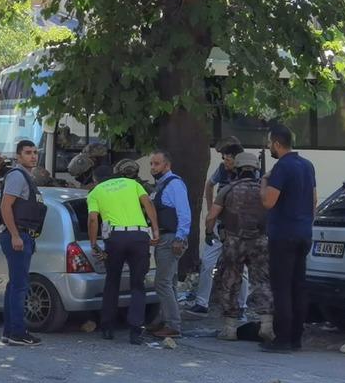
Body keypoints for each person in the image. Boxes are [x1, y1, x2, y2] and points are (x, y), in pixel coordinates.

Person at [204, 152, 274, 342]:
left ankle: (229, 329)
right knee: (263, 282)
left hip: (234, 242)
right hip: (260, 241)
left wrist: (209, 233)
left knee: (230, 282)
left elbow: (211, 216)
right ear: (256, 169)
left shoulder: (227, 189)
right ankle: (267, 326)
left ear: (237, 169)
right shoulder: (264, 190)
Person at [259, 124, 317, 353]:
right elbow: (313, 200)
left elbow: (268, 202)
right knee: (298, 286)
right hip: (303, 233)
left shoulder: (281, 168)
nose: (268, 147)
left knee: (281, 287)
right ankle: (296, 338)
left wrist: (264, 182)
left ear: (276, 143)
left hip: (283, 235)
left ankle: (282, 338)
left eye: (268, 142)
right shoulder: (307, 165)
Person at [87, 165, 159, 345]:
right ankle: (135, 330)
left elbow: (93, 219)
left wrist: (93, 243)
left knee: (112, 282)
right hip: (139, 236)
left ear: (96, 180)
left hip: (115, 238)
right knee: (137, 284)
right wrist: (155, 230)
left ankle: (107, 327)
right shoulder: (132, 183)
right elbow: (147, 203)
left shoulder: (95, 192)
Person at [187, 137, 249, 316]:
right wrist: (210, 207)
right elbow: (209, 184)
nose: (224, 162)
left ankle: (241, 305)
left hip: (239, 228)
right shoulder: (222, 170)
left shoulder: (250, 173)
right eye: (223, 158)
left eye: (227, 158)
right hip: (219, 224)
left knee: (241, 268)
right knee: (207, 263)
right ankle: (202, 303)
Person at [0, 140, 47, 346]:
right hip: (17, 235)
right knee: (19, 286)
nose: (33, 156)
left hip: (24, 235)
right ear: (18, 156)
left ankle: (10, 331)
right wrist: (15, 235)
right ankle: (17, 333)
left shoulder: (27, 177)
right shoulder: (17, 176)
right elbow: (6, 205)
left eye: (35, 152)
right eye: (28, 153)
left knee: (15, 285)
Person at [147, 150, 191, 338]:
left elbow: (184, 213)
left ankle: (173, 325)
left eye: (157, 164)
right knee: (170, 282)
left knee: (162, 283)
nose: (153, 167)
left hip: (171, 239)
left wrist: (180, 238)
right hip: (165, 238)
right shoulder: (162, 185)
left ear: (167, 165)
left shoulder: (174, 185)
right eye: (151, 164)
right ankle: (166, 320)